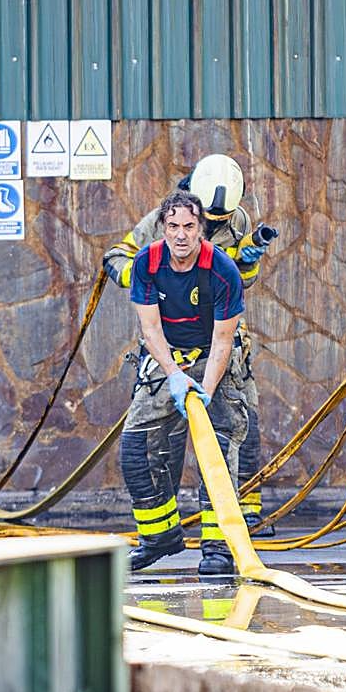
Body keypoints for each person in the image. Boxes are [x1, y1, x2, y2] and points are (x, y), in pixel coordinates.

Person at [103, 153, 276, 536]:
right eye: (180, 226)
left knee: (238, 424)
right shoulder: (161, 222)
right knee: (149, 443)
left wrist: (245, 262)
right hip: (169, 337)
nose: (207, 226)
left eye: (210, 222)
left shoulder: (238, 220)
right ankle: (160, 533)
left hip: (218, 336)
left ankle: (242, 518)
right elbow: (116, 257)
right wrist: (158, 277)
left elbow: (242, 282)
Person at [118, 189, 249, 574]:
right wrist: (174, 375)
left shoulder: (222, 269)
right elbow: (150, 328)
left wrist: (205, 393)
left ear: (201, 230)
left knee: (220, 446)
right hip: (167, 356)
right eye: (173, 226)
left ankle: (218, 548)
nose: (180, 235)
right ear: (162, 228)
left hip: (213, 356)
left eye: (189, 226)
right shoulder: (147, 263)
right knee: (137, 445)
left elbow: (224, 339)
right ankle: (159, 538)